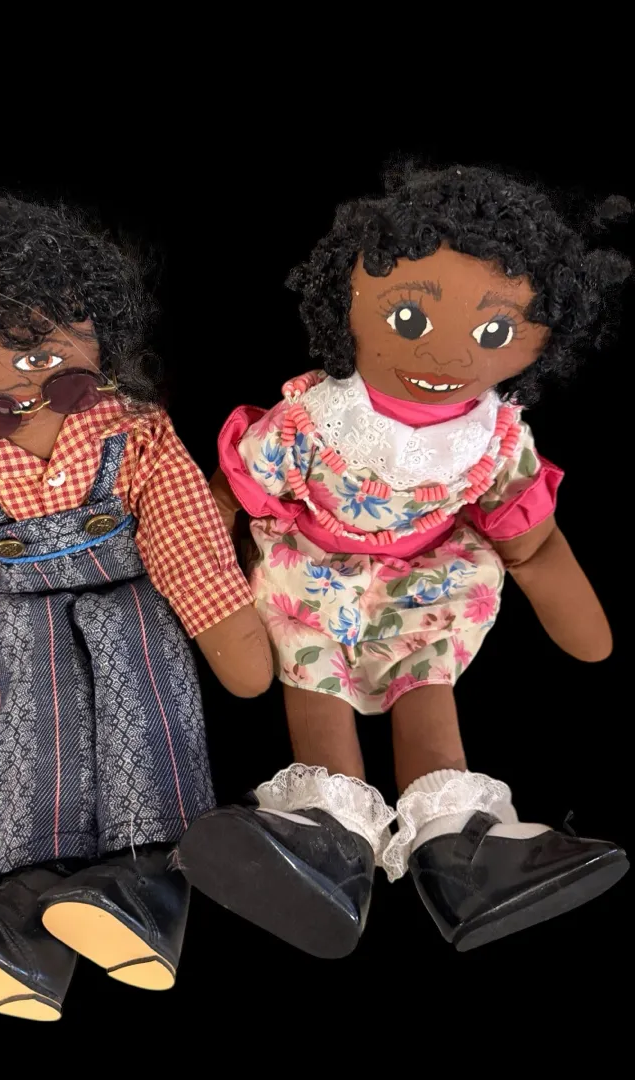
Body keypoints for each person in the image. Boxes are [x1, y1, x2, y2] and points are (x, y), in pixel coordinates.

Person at [0, 190, 272, 1018]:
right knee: (31, 730)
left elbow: (182, 533)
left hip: (132, 594)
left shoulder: (133, 432)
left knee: (142, 703)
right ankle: (22, 902)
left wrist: (223, 623)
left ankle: (149, 875)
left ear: (93, 323)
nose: (1, 383)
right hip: (26, 613)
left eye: (32, 350)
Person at [178, 165, 629, 957]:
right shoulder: (314, 419)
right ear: (344, 301)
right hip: (313, 569)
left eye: (495, 333)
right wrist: (194, 561)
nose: (448, 354)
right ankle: (329, 838)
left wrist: (552, 581)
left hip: (428, 582)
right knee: (315, 674)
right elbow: (238, 487)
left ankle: (458, 847)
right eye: (410, 316)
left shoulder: (493, 437)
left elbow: (527, 533)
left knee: (426, 681)